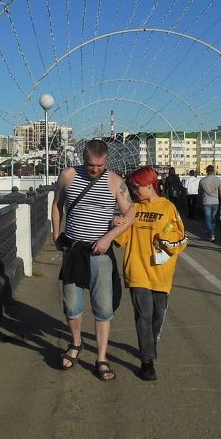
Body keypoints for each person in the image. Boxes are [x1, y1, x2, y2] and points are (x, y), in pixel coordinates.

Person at [51, 139, 134, 381]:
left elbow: (130, 215)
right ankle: (76, 343)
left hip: (100, 253)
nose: (95, 169)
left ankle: (101, 358)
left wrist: (109, 237)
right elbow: (57, 205)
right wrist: (56, 235)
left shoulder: (115, 182)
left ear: (106, 161)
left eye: (99, 165)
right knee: (71, 305)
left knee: (103, 308)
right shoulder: (68, 176)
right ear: (83, 159)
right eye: (90, 165)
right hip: (74, 250)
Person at [115, 166, 187, 381]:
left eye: (137, 186)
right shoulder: (132, 208)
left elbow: (179, 235)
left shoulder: (168, 207)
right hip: (136, 268)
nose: (134, 190)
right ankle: (147, 362)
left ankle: (150, 342)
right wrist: (115, 225)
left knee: (157, 315)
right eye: (132, 186)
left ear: (149, 184)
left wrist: (164, 238)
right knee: (143, 316)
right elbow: (121, 238)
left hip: (161, 271)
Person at [198, 165, 221, 242]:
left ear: (206, 171)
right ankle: (212, 233)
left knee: (208, 219)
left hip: (206, 201)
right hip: (215, 202)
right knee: (213, 218)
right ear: (213, 171)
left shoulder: (202, 181)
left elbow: (199, 191)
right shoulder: (218, 180)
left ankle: (211, 233)